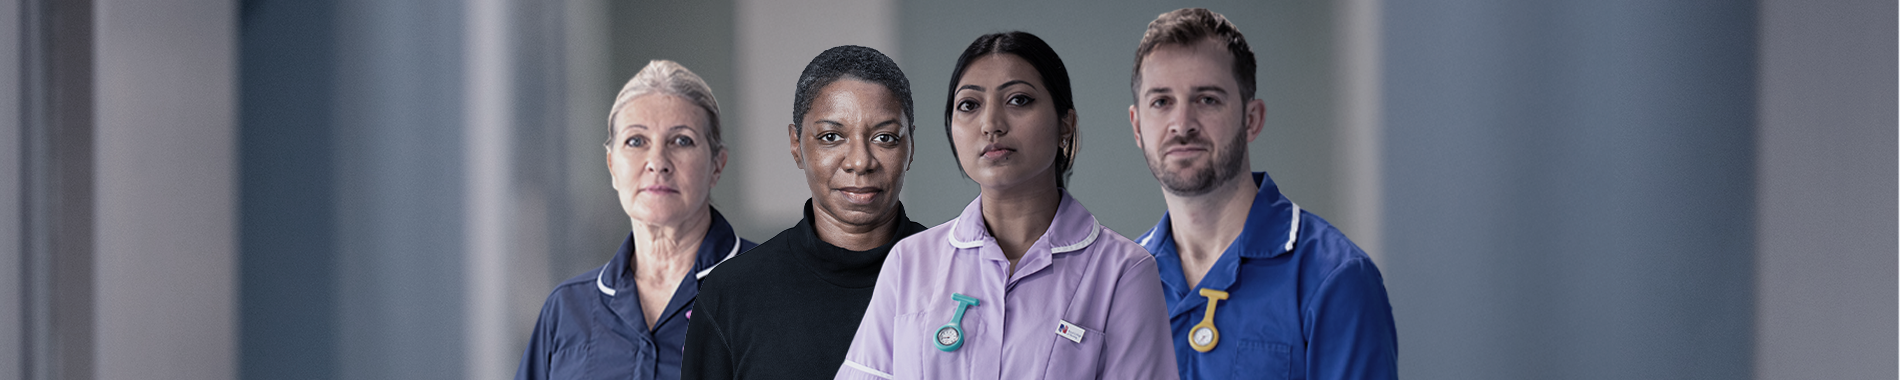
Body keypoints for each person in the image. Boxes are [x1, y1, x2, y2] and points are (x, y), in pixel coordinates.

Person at [836, 31, 1178, 380]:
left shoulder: (1124, 272)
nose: (991, 125)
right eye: (969, 105)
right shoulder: (908, 263)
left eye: (1018, 100)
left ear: (1065, 124)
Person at [1125, 8, 1398, 379]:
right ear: (1138, 126)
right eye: (1161, 102)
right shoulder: (1119, 283)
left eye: (1207, 99)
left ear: (1251, 119)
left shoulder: (1333, 278)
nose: (1182, 124)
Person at [680, 45, 929, 380]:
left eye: (885, 137)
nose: (860, 161)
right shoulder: (733, 294)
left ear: (910, 146)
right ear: (796, 145)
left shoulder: (957, 279)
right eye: (831, 137)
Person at [516, 60, 758, 380]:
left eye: (681, 140)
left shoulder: (774, 294)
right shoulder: (566, 310)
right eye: (636, 141)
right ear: (612, 165)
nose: (657, 162)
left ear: (717, 164)